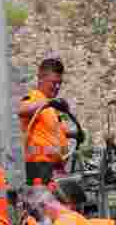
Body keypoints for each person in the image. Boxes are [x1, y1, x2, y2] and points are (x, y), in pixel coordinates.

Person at [18, 58, 82, 186]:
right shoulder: (34, 98)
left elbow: (56, 130)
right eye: (54, 82)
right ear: (41, 78)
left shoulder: (50, 107)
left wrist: (75, 134)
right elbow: (22, 109)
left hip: (54, 167)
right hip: (39, 167)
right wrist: (47, 103)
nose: (57, 87)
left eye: (60, 83)